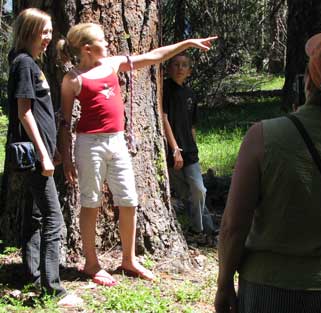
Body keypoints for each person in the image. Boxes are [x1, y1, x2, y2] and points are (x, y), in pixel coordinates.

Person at [56, 22, 217, 286]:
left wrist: (187, 43)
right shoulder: (73, 79)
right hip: (89, 145)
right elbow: (64, 121)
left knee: (129, 200)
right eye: (102, 41)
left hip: (117, 141)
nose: (108, 44)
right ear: (87, 49)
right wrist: (67, 157)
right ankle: (92, 264)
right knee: (91, 202)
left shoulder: (113, 64)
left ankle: (129, 259)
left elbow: (154, 56)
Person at [215, 33, 321, 313]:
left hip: (269, 289)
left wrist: (224, 283)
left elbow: (234, 225)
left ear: (309, 81)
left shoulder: (263, 136)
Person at [7, 8, 82, 307]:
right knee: (54, 219)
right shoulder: (24, 63)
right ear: (29, 32)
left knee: (37, 215)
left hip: (42, 154)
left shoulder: (32, 64)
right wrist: (43, 155)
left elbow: (39, 112)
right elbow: (24, 112)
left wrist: (53, 149)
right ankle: (53, 288)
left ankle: (32, 274)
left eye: (50, 31)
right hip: (35, 157)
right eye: (44, 31)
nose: (48, 37)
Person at [162, 53, 216, 235]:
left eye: (184, 65)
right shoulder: (164, 90)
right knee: (187, 194)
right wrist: (174, 148)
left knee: (199, 190)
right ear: (169, 68)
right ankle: (206, 230)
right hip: (171, 151)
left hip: (190, 152)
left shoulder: (191, 95)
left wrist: (192, 146)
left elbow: (192, 125)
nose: (179, 68)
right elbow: (164, 118)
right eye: (175, 64)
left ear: (190, 71)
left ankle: (198, 229)